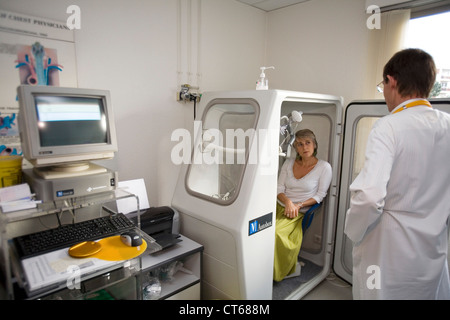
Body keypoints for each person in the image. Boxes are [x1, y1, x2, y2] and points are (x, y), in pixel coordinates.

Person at [344, 48, 450, 299]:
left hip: (388, 246)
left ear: (392, 81)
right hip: (432, 245)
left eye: (383, 86)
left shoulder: (389, 126)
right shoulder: (447, 124)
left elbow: (370, 197)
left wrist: (354, 231)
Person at [274, 129, 332, 282]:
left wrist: (297, 206)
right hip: (280, 204)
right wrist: (288, 202)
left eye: (308, 143)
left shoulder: (324, 167)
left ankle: (277, 272)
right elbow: (279, 189)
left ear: (314, 145)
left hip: (297, 212)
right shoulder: (289, 163)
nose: (304, 147)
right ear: (295, 148)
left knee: (275, 233)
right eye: (299, 144)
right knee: (257, 229)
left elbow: (320, 195)